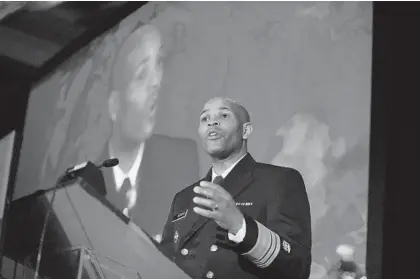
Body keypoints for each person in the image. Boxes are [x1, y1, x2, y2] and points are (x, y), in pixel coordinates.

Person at [160, 97, 312, 279]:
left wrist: (240, 226)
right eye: (205, 118)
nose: (212, 122)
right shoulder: (184, 198)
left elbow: (297, 266)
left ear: (246, 130)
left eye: (224, 115)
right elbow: (163, 263)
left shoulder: (278, 181)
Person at [97, 24, 199, 238]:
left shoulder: (182, 161)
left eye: (159, 63)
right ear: (115, 105)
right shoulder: (85, 186)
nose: (156, 82)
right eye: (141, 75)